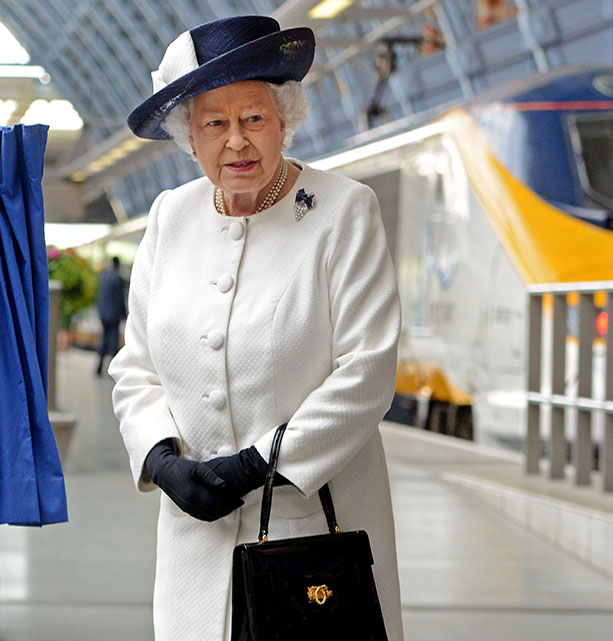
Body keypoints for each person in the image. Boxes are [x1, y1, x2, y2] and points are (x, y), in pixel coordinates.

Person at [109, 15, 403, 641]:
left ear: (284, 121)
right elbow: (136, 365)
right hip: (196, 537)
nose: (236, 141)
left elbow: (367, 371)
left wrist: (255, 466)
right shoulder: (169, 217)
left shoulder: (344, 211)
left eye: (254, 118)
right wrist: (163, 463)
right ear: (191, 137)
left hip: (311, 537)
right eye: (215, 122)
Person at [95, 256, 128, 376]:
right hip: (114, 315)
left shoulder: (103, 277)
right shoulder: (118, 279)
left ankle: (99, 366)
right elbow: (120, 299)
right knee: (113, 341)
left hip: (103, 313)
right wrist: (124, 314)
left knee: (104, 339)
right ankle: (113, 369)